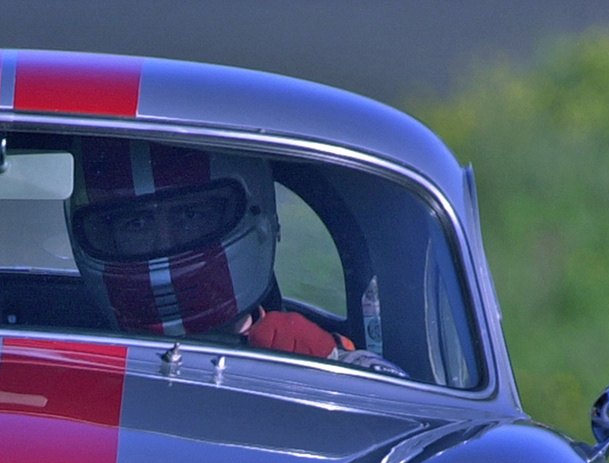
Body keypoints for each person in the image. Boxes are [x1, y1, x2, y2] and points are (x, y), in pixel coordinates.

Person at [67, 139, 383, 366]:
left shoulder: (312, 355)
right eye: (136, 224)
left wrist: (333, 362)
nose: (163, 240)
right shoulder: (67, 358)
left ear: (257, 216)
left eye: (190, 215)